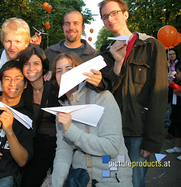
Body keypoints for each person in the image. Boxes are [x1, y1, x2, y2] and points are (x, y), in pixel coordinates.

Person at [98, 0, 168, 187]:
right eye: (105, 16)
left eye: (114, 13)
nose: (110, 19)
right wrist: (116, 62)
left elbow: (159, 95)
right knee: (109, 180)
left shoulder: (152, 46)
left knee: (135, 182)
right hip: (110, 132)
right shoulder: (105, 52)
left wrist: (151, 140)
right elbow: (103, 90)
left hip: (137, 133)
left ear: (126, 14)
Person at [50, 52, 132, 187]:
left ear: (79, 71)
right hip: (82, 179)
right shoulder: (61, 109)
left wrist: (71, 130)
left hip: (111, 178)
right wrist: (57, 183)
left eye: (69, 69)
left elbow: (111, 147)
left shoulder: (102, 98)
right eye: (59, 70)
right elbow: (63, 151)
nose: (63, 74)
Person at [18, 47, 59, 187]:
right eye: (26, 64)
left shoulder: (54, 85)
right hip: (34, 145)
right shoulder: (22, 89)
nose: (31, 68)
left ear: (43, 66)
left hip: (59, 145)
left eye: (36, 63)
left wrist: (56, 74)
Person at [0, 17, 41, 97]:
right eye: (8, 41)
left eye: (17, 42)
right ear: (2, 40)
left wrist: (49, 73)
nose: (12, 47)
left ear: (26, 43)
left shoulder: (33, 61)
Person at [44, 10, 103, 88]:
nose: (71, 28)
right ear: (63, 27)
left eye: (76, 23)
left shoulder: (94, 57)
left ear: (82, 28)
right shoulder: (49, 53)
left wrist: (100, 83)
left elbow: (103, 86)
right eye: (67, 24)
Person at [166, 66, 181, 160]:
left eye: (179, 73)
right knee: (177, 127)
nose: (177, 75)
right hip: (176, 108)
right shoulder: (177, 81)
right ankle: (177, 147)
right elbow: (171, 85)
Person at [165, 48, 180, 129]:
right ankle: (167, 121)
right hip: (166, 85)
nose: (172, 56)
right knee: (166, 104)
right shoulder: (165, 63)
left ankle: (170, 122)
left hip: (176, 85)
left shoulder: (179, 63)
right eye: (170, 54)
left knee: (173, 105)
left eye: (173, 54)